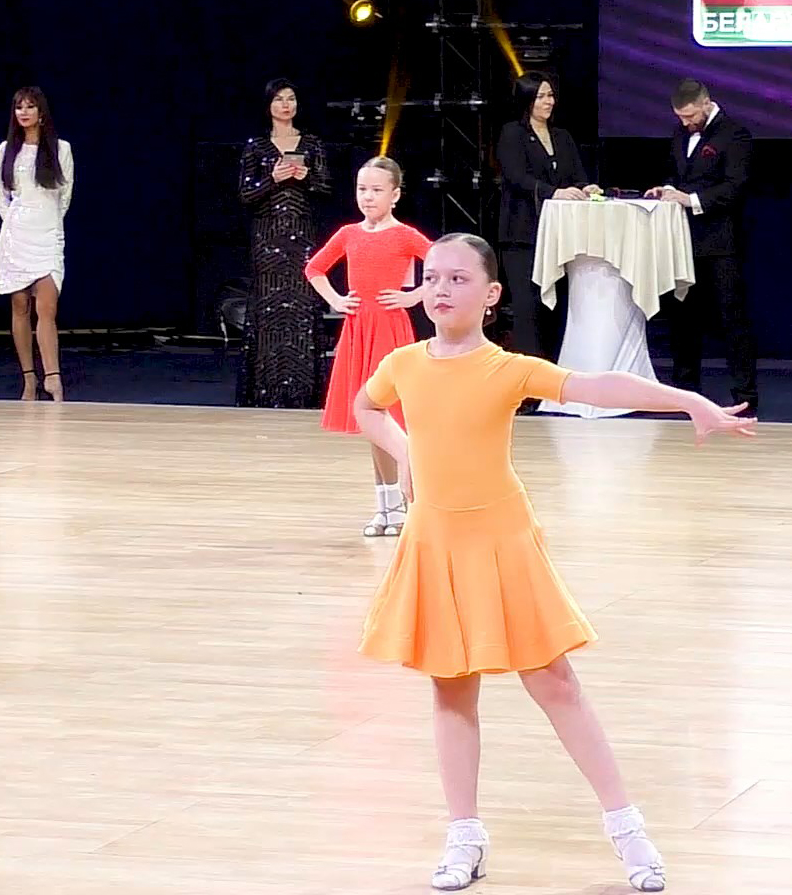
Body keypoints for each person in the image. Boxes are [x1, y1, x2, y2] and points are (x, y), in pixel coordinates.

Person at [353, 232, 754, 891]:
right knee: (450, 686)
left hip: (501, 538)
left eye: (458, 278)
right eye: (432, 277)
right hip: (434, 540)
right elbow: (366, 406)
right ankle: (463, 834)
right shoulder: (403, 364)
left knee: (554, 681)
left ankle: (627, 827)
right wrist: (407, 455)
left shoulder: (507, 368)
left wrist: (690, 400)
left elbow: (597, 385)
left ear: (491, 295)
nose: (441, 289)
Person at [305, 156, 431, 538]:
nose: (368, 196)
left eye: (377, 190)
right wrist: (336, 300)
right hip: (359, 330)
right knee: (373, 423)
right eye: (362, 189)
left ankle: (404, 505)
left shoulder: (405, 235)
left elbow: (443, 265)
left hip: (390, 332)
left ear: (395, 195)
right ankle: (387, 509)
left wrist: (414, 296)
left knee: (388, 418)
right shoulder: (349, 234)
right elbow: (314, 268)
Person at [646, 78, 758, 416]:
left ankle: (745, 395)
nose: (686, 123)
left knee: (731, 319)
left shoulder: (735, 134)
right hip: (683, 240)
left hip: (721, 242)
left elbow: (735, 187)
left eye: (691, 116)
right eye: (681, 117)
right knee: (683, 318)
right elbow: (674, 172)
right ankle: (685, 390)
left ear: (707, 104)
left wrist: (691, 199)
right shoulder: (680, 134)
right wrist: (665, 189)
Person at [237, 77, 332, 408]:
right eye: (279, 99)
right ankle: (266, 390)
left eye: (291, 99)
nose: (286, 105)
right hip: (267, 239)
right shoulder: (256, 147)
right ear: (269, 105)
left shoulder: (312, 144)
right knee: (270, 312)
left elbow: (326, 188)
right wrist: (272, 179)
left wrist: (307, 178)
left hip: (302, 236)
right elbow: (245, 194)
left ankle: (304, 392)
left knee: (302, 310)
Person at [494, 71, 599, 366]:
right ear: (526, 100)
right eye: (541, 96)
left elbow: (576, 176)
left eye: (550, 95)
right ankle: (528, 376)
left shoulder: (562, 136)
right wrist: (554, 192)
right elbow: (516, 177)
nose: (548, 101)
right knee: (528, 309)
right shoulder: (512, 134)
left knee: (555, 308)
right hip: (523, 235)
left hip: (560, 237)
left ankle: (554, 373)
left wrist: (584, 188)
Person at [0, 86, 73, 401]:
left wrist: (47, 223)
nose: (24, 112)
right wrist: (16, 223)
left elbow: (64, 197)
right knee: (19, 305)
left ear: (41, 112)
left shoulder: (61, 149)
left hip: (47, 233)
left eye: (29, 107)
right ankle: (29, 378)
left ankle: (53, 378)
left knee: (47, 306)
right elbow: (1, 196)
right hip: (16, 234)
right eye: (19, 107)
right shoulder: (5, 150)